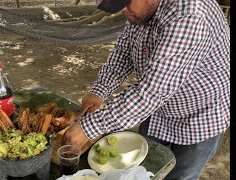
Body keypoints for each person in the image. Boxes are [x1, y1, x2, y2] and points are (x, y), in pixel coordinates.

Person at [62, 0, 230, 179]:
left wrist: (89, 127)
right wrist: (99, 90)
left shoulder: (190, 14)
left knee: (181, 176)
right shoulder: (141, 10)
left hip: (200, 114)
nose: (123, 11)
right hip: (158, 110)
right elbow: (124, 52)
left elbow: (151, 91)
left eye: (126, 3)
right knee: (146, 171)